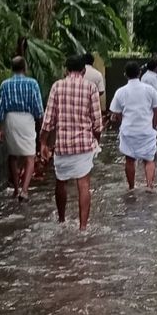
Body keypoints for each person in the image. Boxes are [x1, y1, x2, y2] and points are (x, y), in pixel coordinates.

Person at [40, 55, 102, 229]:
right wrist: (96, 141)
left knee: (61, 182)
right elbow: (97, 123)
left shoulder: (57, 87)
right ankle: (83, 227)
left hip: (63, 144)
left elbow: (48, 119)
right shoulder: (90, 87)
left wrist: (43, 142)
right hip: (84, 144)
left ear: (66, 70)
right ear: (83, 71)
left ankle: (61, 220)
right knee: (84, 185)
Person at [109, 61, 157, 192]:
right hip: (146, 129)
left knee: (129, 159)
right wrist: (153, 126)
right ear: (140, 73)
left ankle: (131, 187)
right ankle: (150, 185)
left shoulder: (120, 92)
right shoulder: (149, 90)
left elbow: (116, 112)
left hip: (128, 131)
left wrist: (123, 122)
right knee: (149, 159)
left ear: (125, 74)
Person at [0, 56, 45, 201]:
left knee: (12, 155)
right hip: (26, 119)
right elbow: (38, 107)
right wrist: (41, 123)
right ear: (25, 68)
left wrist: (0, 127)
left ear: (12, 68)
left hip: (10, 119)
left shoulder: (5, 84)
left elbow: (0, 108)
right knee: (30, 156)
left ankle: (16, 189)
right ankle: (25, 190)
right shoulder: (32, 83)